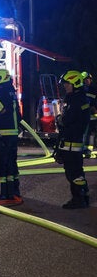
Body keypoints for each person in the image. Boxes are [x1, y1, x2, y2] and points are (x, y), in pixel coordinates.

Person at [54, 70, 91, 209]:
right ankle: (83, 195)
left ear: (75, 83)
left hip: (71, 143)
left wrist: (59, 119)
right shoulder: (79, 98)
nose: (65, 87)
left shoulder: (75, 100)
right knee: (77, 172)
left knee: (72, 172)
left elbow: (67, 120)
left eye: (67, 84)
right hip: (72, 142)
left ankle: (78, 199)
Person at [0, 68, 21, 199]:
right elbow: (19, 116)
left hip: (2, 134)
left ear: (0, 80)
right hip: (12, 134)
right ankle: (13, 191)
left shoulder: (2, 94)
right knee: (11, 165)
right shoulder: (12, 93)